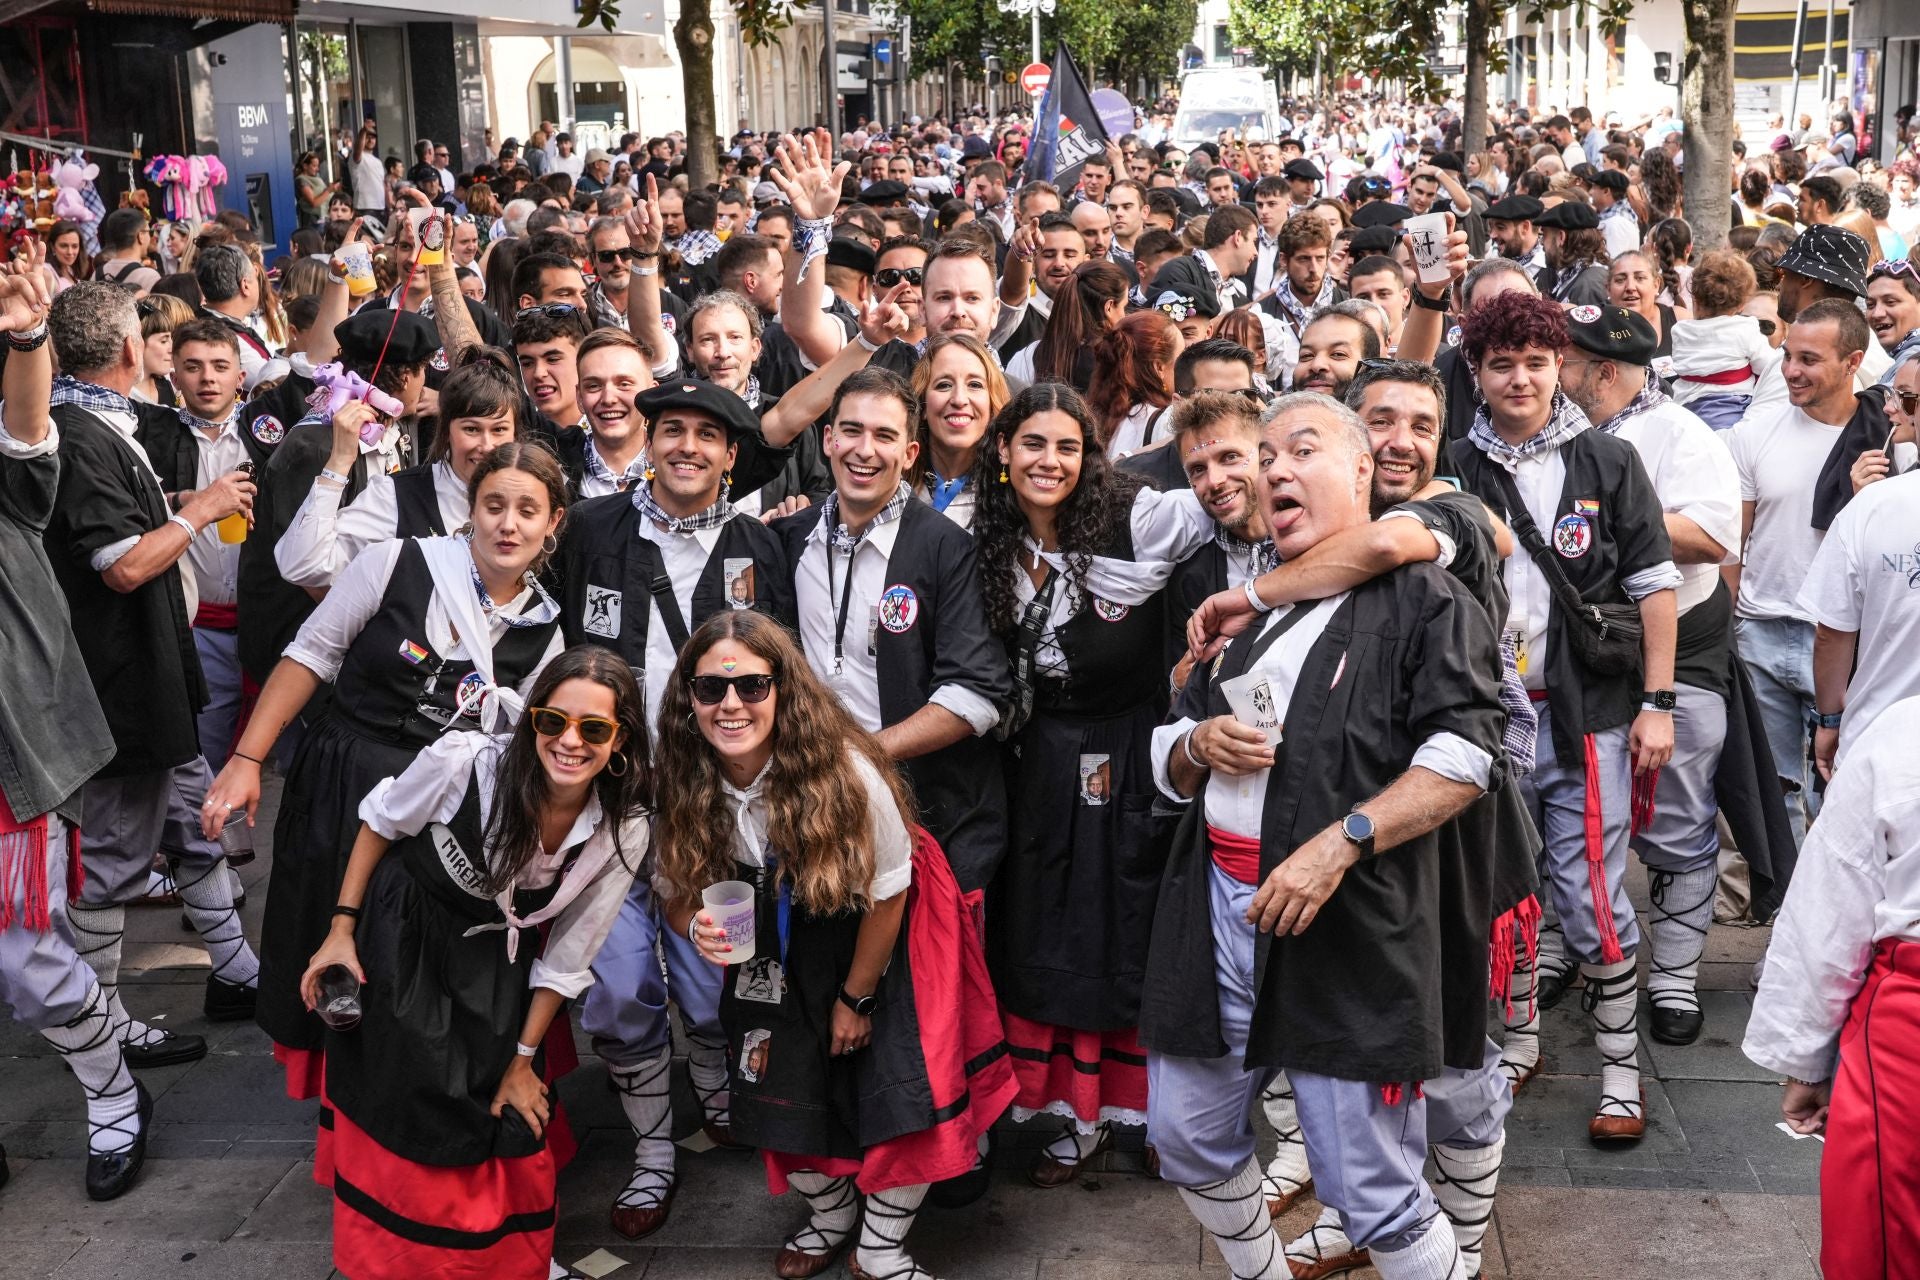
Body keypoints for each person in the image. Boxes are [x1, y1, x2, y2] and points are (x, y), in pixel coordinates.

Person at [1143, 390, 1509, 1280]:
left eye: (1299, 451)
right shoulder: (1246, 615)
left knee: (1366, 1187)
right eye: (1263, 457)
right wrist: (1194, 744)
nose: (1272, 471)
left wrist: (1342, 841)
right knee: (1184, 1136)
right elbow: (1166, 750)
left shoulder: (1426, 595)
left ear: (1359, 470)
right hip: (1217, 910)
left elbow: (1466, 752)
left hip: (1342, 918)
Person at [654, 611, 1016, 1280]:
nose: (731, 705)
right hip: (769, 943)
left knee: (902, 1088)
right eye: (710, 690)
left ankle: (880, 1249)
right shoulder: (681, 775)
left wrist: (857, 996)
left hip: (881, 925)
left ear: (784, 690)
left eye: (753, 686)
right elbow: (675, 893)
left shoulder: (846, 769)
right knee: (771, 1090)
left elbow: (889, 890)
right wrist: (694, 928)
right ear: (689, 699)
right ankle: (834, 1209)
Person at [203, 444, 567, 1100]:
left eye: (526, 510)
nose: (507, 524)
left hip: (437, 814)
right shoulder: (397, 562)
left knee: (401, 968)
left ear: (553, 523)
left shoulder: (546, 633)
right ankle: (341, 1109)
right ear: (471, 512)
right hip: (343, 783)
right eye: (493, 506)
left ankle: (392, 1104)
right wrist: (247, 760)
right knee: (328, 937)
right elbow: (310, 655)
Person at [299, 646, 649, 1279]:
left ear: (620, 740)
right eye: (552, 721)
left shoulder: (621, 826)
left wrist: (522, 1060)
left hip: (494, 956)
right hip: (407, 930)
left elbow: (571, 953)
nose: (569, 742)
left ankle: (510, 1263)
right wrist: (341, 932)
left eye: (593, 729)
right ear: (532, 719)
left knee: (498, 1100)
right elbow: (380, 825)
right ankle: (404, 1263)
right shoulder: (465, 764)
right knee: (413, 1093)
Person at [554, 377, 796, 1239]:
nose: (686, 446)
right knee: (619, 991)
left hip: (710, 809)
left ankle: (720, 1087)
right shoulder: (588, 530)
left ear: (733, 456)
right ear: (648, 441)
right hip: (607, 803)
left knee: (709, 985)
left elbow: (784, 680)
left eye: (706, 435)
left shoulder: (760, 548)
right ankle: (654, 1155)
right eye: (672, 430)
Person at [1447, 290, 1680, 1140]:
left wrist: (1659, 704)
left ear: (1562, 370)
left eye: (1536, 363)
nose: (1520, 379)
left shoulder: (1608, 462)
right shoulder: (1452, 468)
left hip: (1590, 717)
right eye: (1501, 363)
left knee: (1588, 895)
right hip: (1482, 721)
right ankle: (1520, 1042)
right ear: (1476, 371)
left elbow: (1657, 588)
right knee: (1503, 887)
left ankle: (1622, 1072)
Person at [972, 383, 1211, 1185]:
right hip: (1037, 760)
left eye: (1067, 447)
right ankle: (1072, 1114)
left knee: (1127, 920)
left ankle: (1151, 1113)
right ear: (1002, 452)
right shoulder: (979, 536)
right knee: (1050, 924)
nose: (1049, 461)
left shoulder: (1139, 516)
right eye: (1032, 444)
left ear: (1089, 457)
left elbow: (1231, 509)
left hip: (1130, 748)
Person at [40, 282, 263, 1071]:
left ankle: (238, 975)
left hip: (157, 689)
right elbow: (123, 568)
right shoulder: (77, 435)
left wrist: (170, 505)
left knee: (200, 828)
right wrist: (197, 511)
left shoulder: (102, 426)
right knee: (109, 869)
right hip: (121, 698)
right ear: (134, 351)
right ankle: (99, 1034)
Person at [0, 250, 153, 1202]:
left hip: (10, 752)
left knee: (26, 958)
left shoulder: (9, 464)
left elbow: (24, 436)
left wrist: (25, 335)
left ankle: (111, 1092)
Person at [1556, 304, 1750, 1045]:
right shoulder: (1554, 434)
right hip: (1579, 645)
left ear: (1602, 371)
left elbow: (1710, 537)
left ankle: (1671, 975)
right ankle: (1568, 948)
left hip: (1675, 646)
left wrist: (1620, 510)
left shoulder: (1681, 435)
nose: (1553, 373)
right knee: (1566, 803)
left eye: (1565, 362)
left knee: (1673, 808)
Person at [1743, 693, 1920, 1279]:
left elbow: (1832, 914)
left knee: (1888, 1244)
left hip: (1909, 1035)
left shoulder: (1903, 731)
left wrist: (1806, 1066)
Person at [1726, 298, 1874, 843]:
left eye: (1809, 359)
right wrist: (1739, 618)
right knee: (1772, 787)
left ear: (1852, 361)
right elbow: (1732, 544)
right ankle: (1781, 908)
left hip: (1836, 639)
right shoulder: (1754, 433)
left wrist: (1867, 499)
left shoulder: (1885, 442)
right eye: (1788, 355)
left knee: (1837, 786)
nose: (1791, 370)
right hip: (1760, 631)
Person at [276, 349, 525, 589]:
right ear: (446, 430)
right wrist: (339, 462)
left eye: (499, 430)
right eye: (471, 429)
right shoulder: (397, 495)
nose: (487, 445)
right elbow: (301, 565)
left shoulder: (533, 496)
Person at [910, 333, 1009, 531]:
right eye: (944, 385)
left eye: (975, 385)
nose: (959, 399)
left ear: (992, 405)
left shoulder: (1013, 497)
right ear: (922, 406)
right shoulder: (892, 485)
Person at [1087, 309, 1183, 456]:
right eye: (1181, 358)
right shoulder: (1166, 422)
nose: (1185, 366)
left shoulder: (1094, 415)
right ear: (1159, 367)